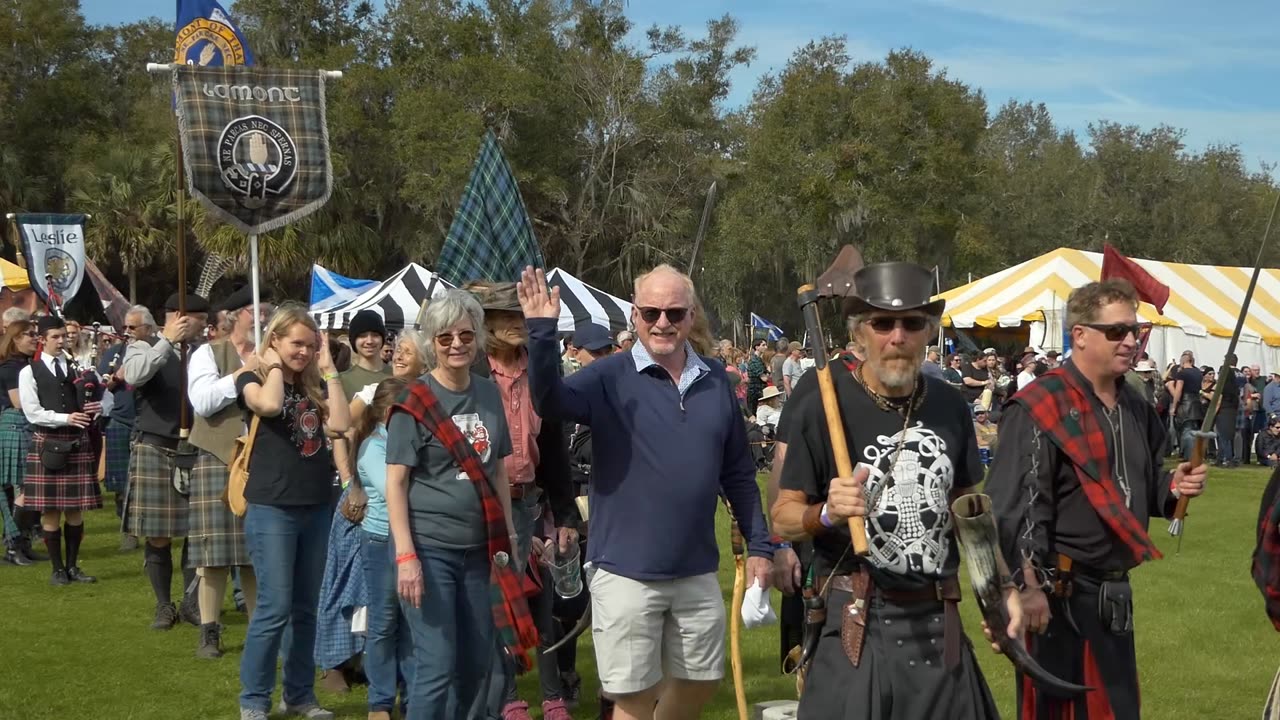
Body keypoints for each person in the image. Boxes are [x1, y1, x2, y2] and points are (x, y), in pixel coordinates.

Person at [517, 264, 773, 720]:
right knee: (633, 698)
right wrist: (540, 331)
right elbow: (549, 402)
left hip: (696, 569)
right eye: (651, 311)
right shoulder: (608, 377)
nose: (662, 323)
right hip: (625, 570)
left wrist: (760, 545)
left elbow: (738, 472)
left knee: (702, 680)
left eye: (674, 312)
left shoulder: (716, 380)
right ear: (635, 315)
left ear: (691, 316)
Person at [771, 261, 1011, 719]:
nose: (897, 336)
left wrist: (999, 594)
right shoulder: (823, 404)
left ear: (928, 332)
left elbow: (970, 515)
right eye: (882, 323)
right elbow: (783, 513)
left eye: (912, 323)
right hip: (857, 620)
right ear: (859, 333)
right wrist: (825, 513)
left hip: (939, 620)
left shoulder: (948, 405)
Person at [984, 279, 1207, 719]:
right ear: (1080, 335)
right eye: (1116, 331)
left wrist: (1173, 488)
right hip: (1056, 598)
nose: (1130, 341)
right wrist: (1026, 588)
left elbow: (1138, 484)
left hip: (1113, 596)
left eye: (1135, 331)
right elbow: (1017, 510)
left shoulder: (1137, 403)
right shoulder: (1039, 405)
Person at [384, 289, 522, 720]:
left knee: (476, 664)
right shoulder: (413, 401)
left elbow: (498, 470)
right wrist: (406, 556)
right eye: (445, 338)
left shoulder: (488, 393)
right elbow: (395, 483)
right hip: (429, 549)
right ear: (431, 343)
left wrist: (511, 537)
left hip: (482, 550)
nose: (457, 344)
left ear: (479, 338)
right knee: (436, 665)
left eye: (466, 334)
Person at [463, 280, 578, 720]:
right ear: (487, 324)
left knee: (543, 602)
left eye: (521, 316)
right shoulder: (473, 374)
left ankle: (552, 698)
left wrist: (566, 513)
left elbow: (554, 449)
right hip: (485, 504)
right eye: (506, 317)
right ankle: (509, 696)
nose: (517, 324)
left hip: (531, 502)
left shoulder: (543, 370)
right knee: (498, 603)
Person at [235, 306, 348, 720]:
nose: (303, 351)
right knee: (274, 607)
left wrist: (329, 370)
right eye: (295, 343)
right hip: (272, 506)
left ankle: (299, 695)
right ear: (276, 341)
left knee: (306, 608)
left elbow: (340, 425)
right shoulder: (252, 379)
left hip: (317, 504)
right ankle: (254, 700)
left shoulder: (316, 385)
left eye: (310, 343)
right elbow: (267, 406)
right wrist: (272, 367)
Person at [186, 287, 267, 658]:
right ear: (236, 316)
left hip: (263, 461)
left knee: (255, 554)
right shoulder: (207, 353)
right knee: (212, 554)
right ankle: (209, 630)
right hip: (217, 458)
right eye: (256, 310)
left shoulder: (271, 355)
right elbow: (202, 402)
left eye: (267, 310)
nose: (263, 317)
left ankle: (259, 632)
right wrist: (241, 375)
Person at [122, 293, 209, 629]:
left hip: (196, 448)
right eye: (197, 318)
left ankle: (190, 603)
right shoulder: (142, 346)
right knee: (158, 534)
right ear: (175, 317)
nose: (202, 324)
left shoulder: (204, 353)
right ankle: (163, 605)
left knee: (194, 531)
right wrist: (167, 341)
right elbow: (134, 376)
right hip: (156, 446)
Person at [18, 315, 113, 584]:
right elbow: (32, 412)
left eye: (64, 336)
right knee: (50, 511)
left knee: (75, 510)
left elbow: (106, 398)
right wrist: (66, 418)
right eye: (56, 337)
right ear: (42, 340)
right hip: (48, 442)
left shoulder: (80, 367)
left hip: (78, 443)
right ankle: (57, 569)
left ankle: (73, 567)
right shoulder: (29, 371)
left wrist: (99, 408)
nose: (62, 341)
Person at [350, 376, 413, 720]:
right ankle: (380, 703)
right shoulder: (374, 446)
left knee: (411, 623)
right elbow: (394, 492)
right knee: (385, 622)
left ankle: (414, 699)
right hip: (380, 542)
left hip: (409, 540)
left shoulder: (408, 439)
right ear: (391, 411)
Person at [102, 306, 155, 553]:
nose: (128, 331)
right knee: (122, 482)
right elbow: (102, 385)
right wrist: (118, 376)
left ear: (148, 328)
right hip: (120, 421)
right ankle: (128, 532)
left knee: (147, 483)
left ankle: (150, 529)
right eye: (125, 327)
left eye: (133, 327)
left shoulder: (157, 351)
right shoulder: (114, 352)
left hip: (148, 423)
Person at [0, 320, 38, 565]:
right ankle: (14, 547)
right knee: (22, 488)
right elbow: (18, 402)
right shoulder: (12, 367)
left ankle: (21, 544)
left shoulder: (24, 365)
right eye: (29, 334)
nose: (35, 338)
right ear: (15, 339)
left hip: (23, 425)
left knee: (27, 488)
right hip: (16, 424)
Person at [340, 309, 391, 401]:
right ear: (354, 340)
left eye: (375, 335)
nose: (369, 341)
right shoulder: (342, 380)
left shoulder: (396, 375)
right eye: (362, 336)